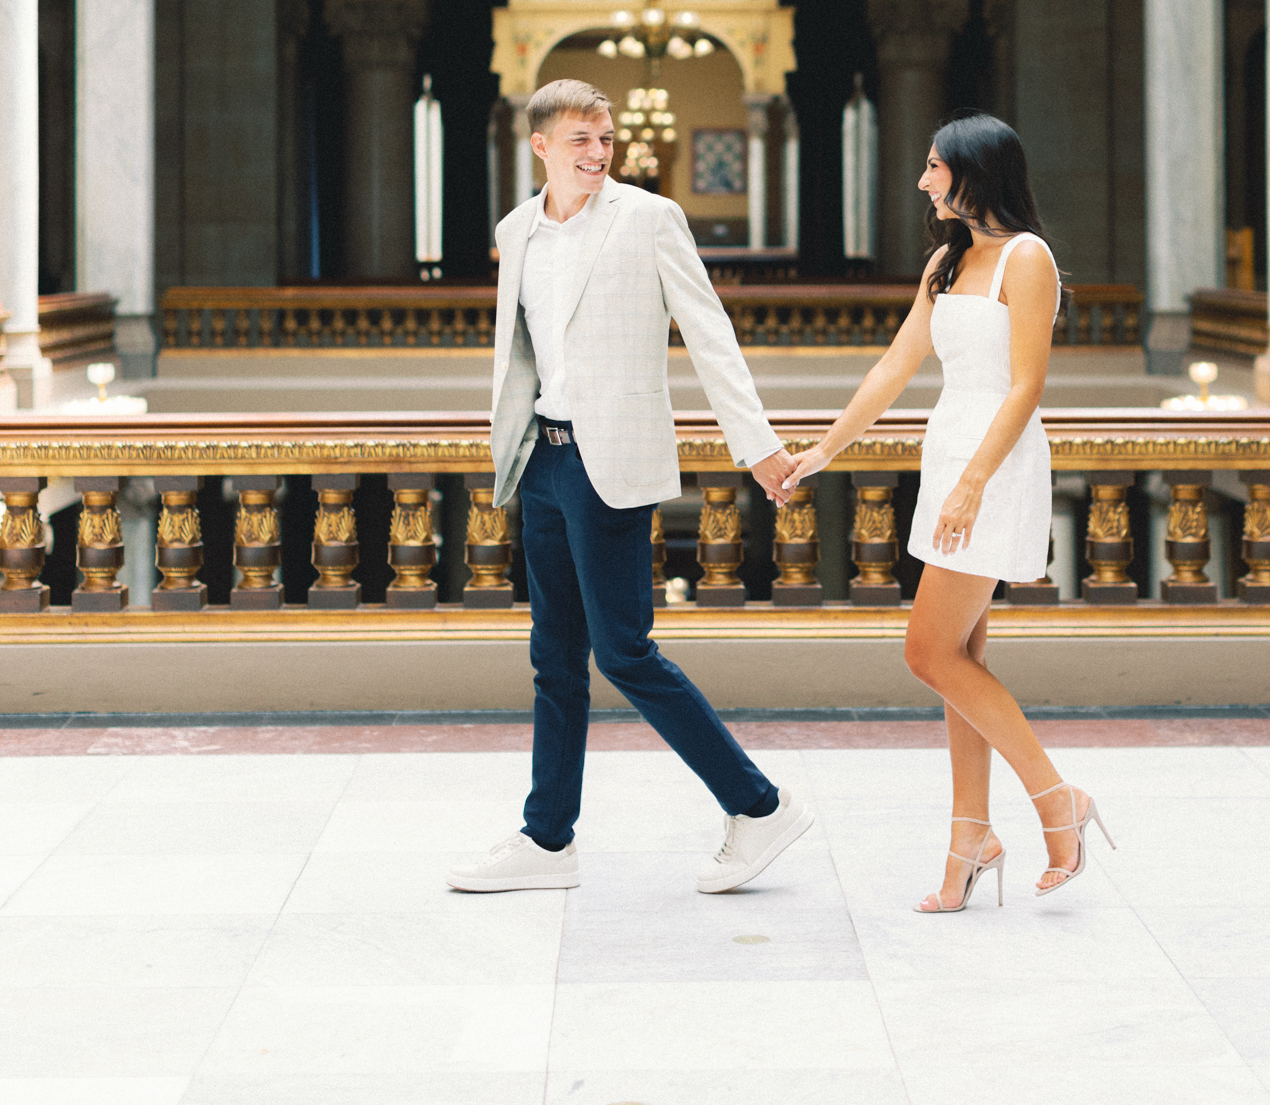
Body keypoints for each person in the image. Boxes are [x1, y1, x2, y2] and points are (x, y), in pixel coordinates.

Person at [448, 77, 812, 896]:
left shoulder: (649, 219)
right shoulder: (517, 231)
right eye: (579, 139)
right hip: (541, 459)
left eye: (603, 138)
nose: (597, 152)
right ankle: (546, 843)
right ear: (538, 144)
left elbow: (709, 333)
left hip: (610, 461)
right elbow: (523, 357)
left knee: (623, 651)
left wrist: (755, 446)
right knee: (553, 659)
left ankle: (758, 807)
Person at [781, 111, 1114, 910]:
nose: (924, 179)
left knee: (926, 652)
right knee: (960, 663)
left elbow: (1027, 385)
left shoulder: (1027, 258)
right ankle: (969, 835)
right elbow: (895, 366)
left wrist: (971, 482)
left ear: (972, 172)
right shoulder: (945, 260)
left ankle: (1055, 800)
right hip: (948, 451)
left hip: (992, 462)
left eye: (934, 165)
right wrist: (820, 453)